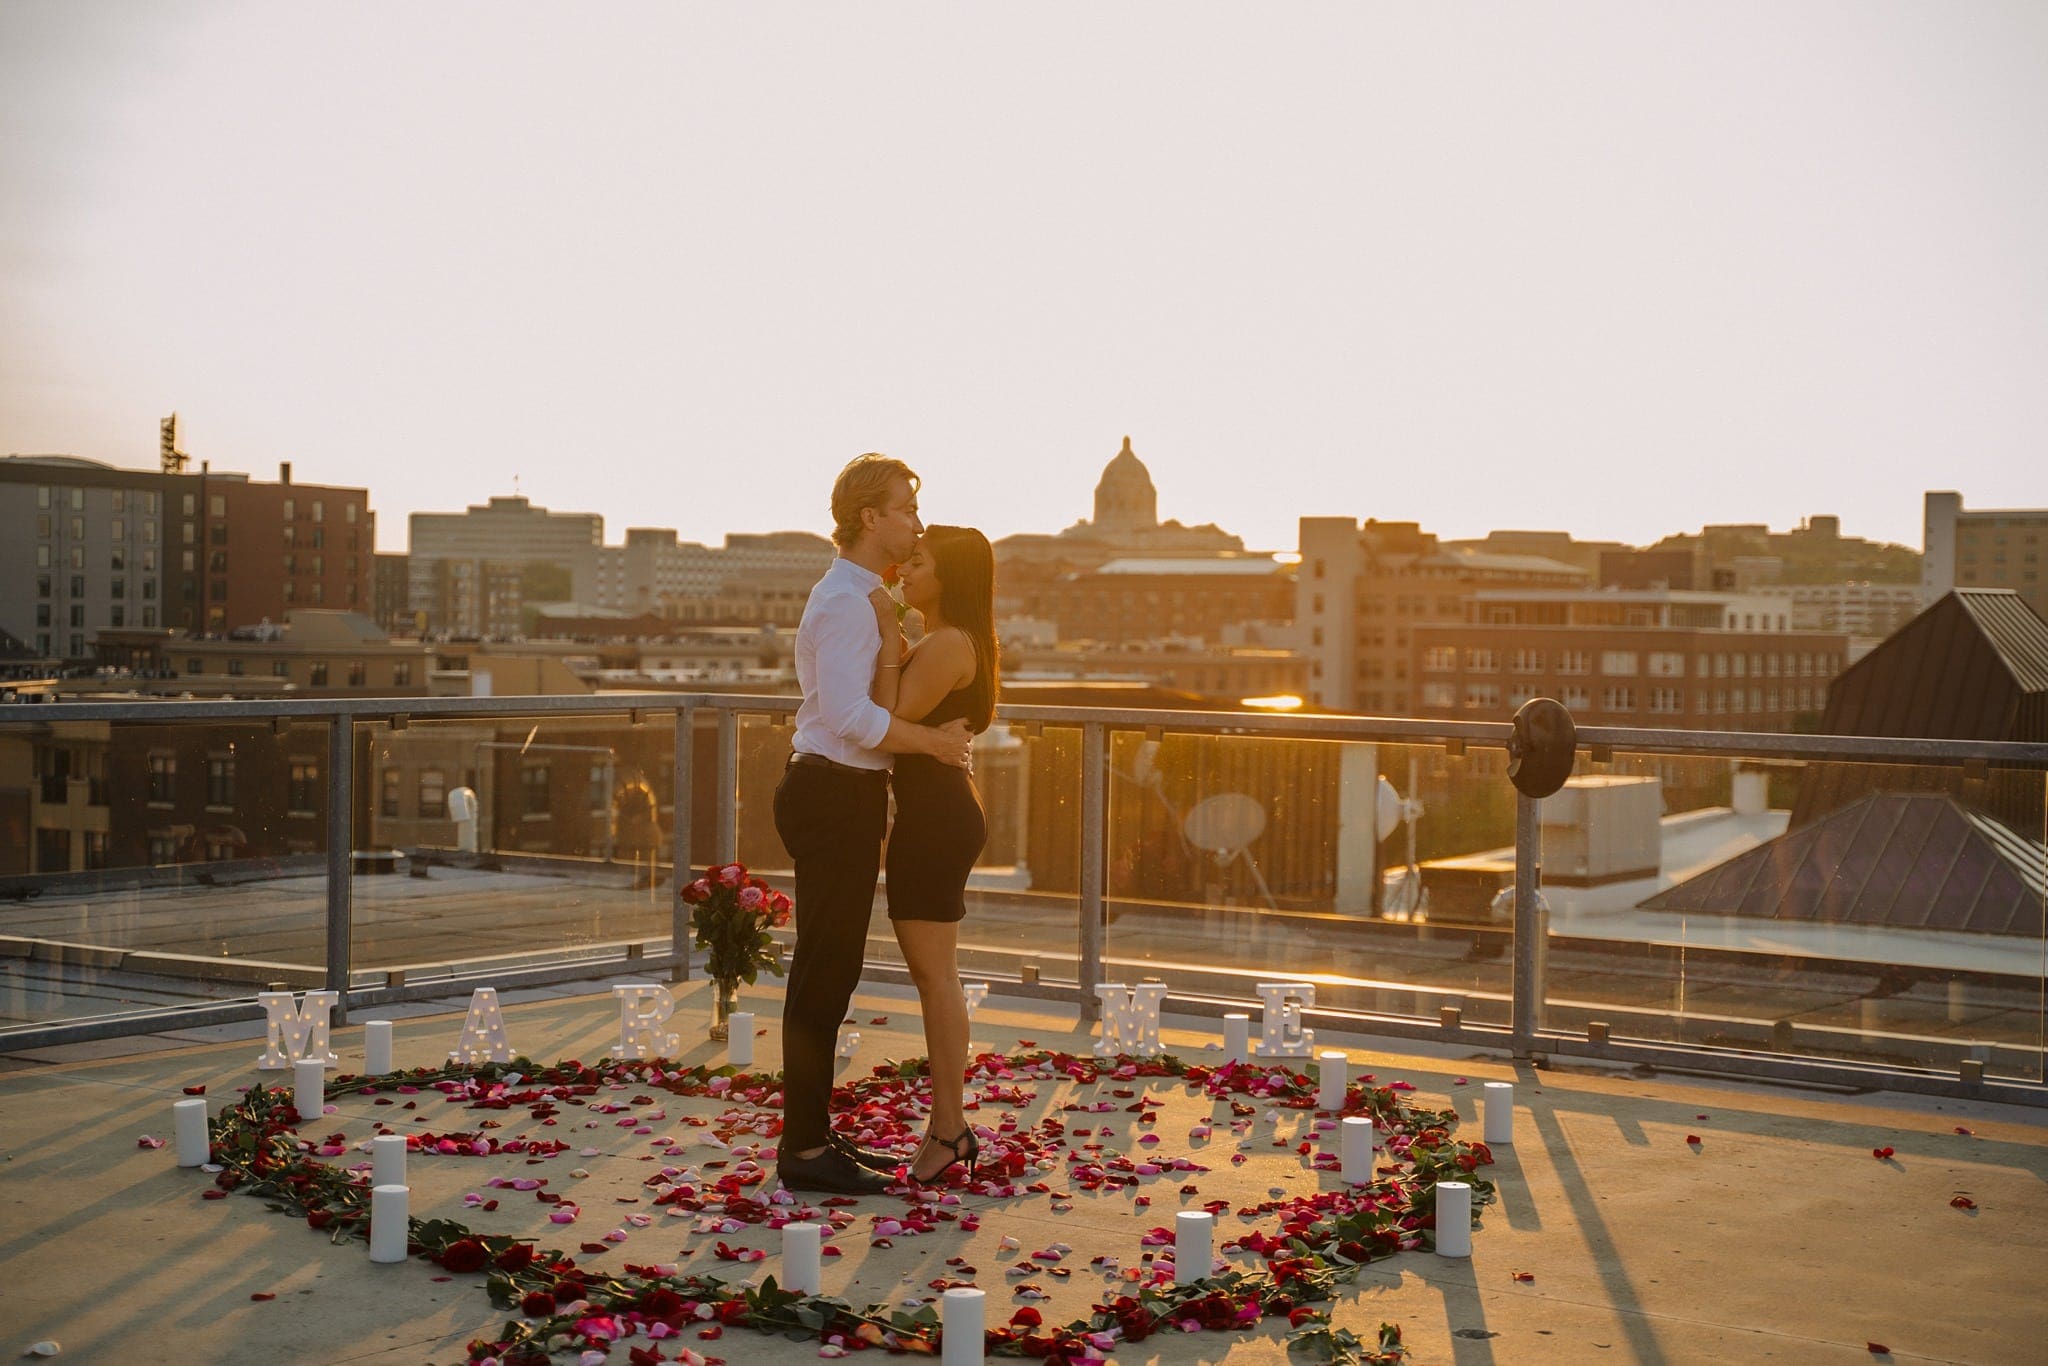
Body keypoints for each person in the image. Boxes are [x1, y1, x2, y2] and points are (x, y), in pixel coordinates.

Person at [772, 454, 974, 1196]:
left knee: (831, 974)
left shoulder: (866, 601)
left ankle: (813, 1138)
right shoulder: (846, 602)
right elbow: (847, 717)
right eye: (906, 510)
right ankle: (802, 1151)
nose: (916, 524)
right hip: (830, 795)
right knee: (823, 978)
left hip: (844, 797)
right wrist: (936, 743)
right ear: (871, 519)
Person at [866, 525, 997, 1185]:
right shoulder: (952, 641)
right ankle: (949, 1125)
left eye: (917, 562)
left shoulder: (947, 644)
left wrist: (888, 633)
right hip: (941, 810)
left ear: (949, 576)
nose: (904, 570)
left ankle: (949, 1129)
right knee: (934, 976)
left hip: (937, 817)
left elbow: (885, 714)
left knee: (935, 977)